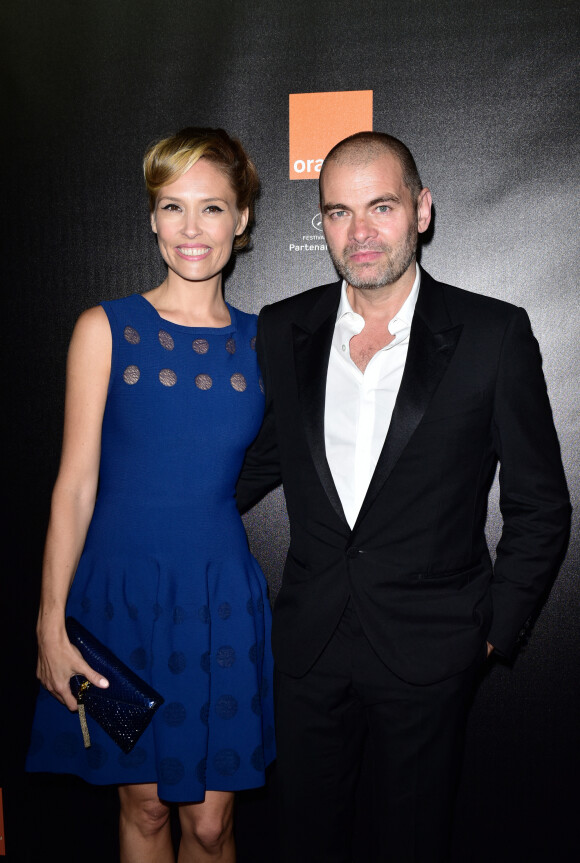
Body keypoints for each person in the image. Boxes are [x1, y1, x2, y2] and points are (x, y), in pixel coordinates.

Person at [236, 131, 571, 862]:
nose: (359, 232)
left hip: (432, 646)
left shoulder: (493, 334)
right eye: (337, 212)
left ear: (420, 209)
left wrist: (490, 630)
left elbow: (541, 505)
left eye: (380, 206)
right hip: (308, 647)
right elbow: (253, 461)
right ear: (320, 223)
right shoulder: (283, 328)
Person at [26, 127, 275, 863]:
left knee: (208, 823)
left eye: (211, 208)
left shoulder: (270, 344)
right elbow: (74, 485)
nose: (191, 230)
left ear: (243, 219)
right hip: (117, 600)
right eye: (172, 207)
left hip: (217, 601)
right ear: (152, 218)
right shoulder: (105, 329)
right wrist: (49, 623)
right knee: (143, 810)